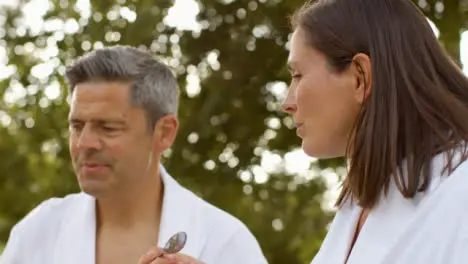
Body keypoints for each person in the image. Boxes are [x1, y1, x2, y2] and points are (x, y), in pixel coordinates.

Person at [139, 0, 468, 263]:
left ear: (359, 77)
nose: (287, 102)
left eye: (297, 75)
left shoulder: (459, 197)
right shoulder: (362, 200)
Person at [0, 45, 268, 264]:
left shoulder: (225, 242)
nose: (85, 143)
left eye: (108, 127)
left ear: (164, 133)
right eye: (77, 126)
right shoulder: (37, 233)